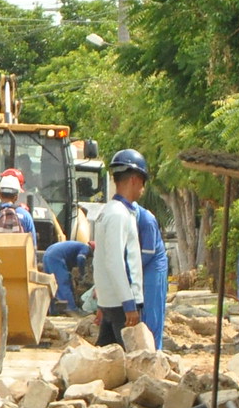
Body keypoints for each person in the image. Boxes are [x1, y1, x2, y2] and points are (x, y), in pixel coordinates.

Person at [90, 149, 148, 347]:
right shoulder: (118, 215)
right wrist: (129, 303)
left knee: (106, 359)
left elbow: (101, 258)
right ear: (134, 179)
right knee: (129, 363)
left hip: (111, 301)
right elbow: (115, 261)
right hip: (122, 303)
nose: (143, 188)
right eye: (143, 182)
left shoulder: (109, 211)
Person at [132, 190, 169, 350]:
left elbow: (148, 252)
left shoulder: (147, 221)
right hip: (141, 263)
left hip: (154, 266)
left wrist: (132, 269)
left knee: (152, 308)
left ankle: (154, 348)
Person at [41, 239, 91, 312]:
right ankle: (71, 309)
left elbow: (68, 265)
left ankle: (53, 310)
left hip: (47, 255)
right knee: (62, 284)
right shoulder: (85, 248)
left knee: (51, 285)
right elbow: (81, 258)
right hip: (56, 257)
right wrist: (82, 273)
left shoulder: (74, 249)